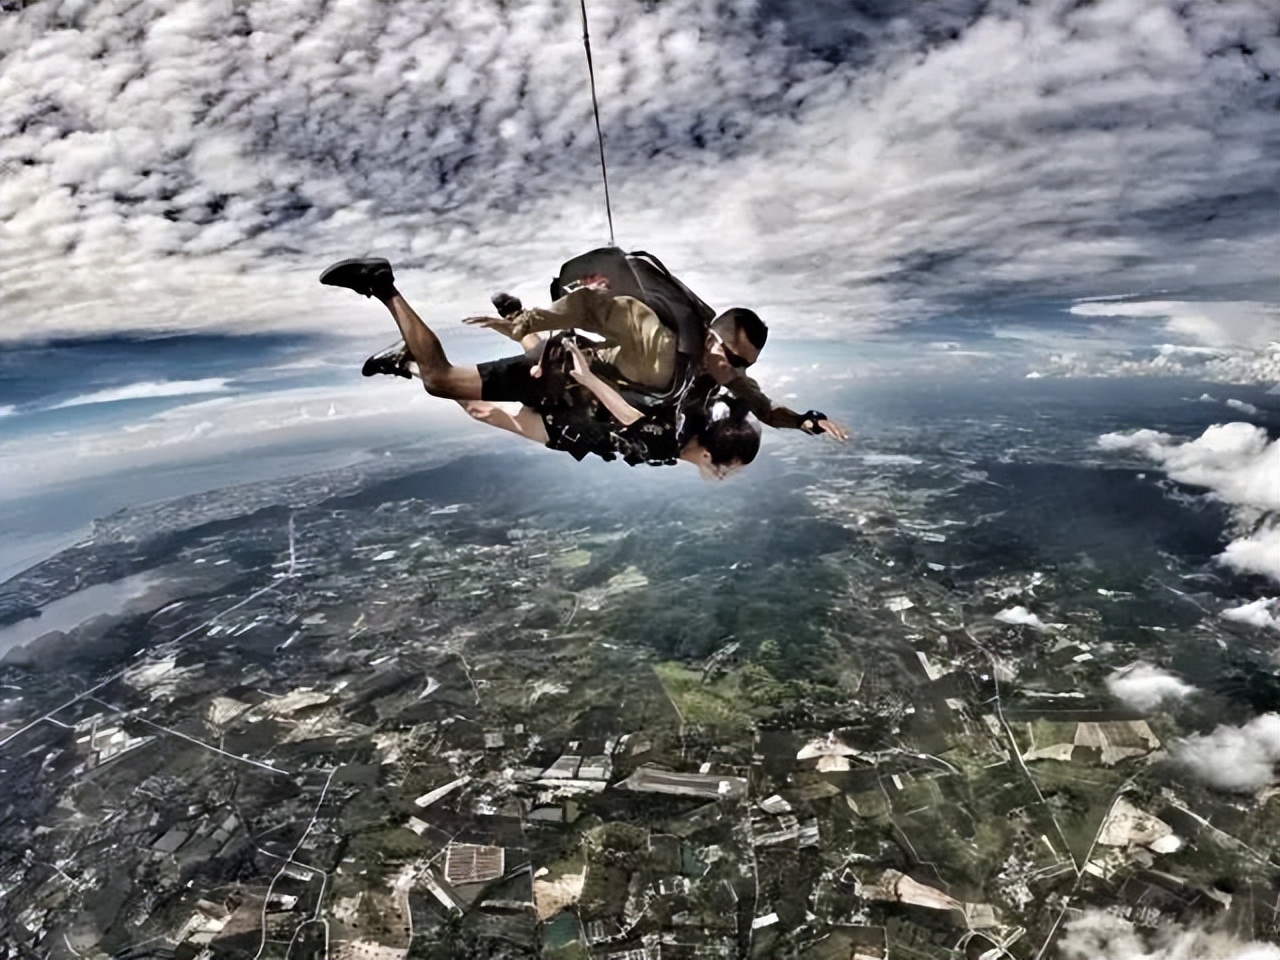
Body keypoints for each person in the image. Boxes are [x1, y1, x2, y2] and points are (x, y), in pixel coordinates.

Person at [319, 257, 759, 479]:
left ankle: (504, 320)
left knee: (487, 404)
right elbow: (632, 419)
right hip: (570, 402)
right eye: (723, 466)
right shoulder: (673, 440)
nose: (719, 472)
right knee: (443, 382)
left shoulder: (696, 406)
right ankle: (383, 287)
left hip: (571, 420)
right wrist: (586, 378)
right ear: (708, 453)